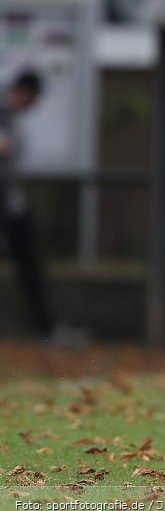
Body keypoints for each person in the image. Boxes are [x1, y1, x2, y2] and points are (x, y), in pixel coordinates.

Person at [0, 71, 73, 344]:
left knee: (31, 265)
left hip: (13, 206)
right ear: (24, 92)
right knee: (28, 265)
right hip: (5, 206)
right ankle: (46, 328)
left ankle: (47, 328)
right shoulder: (3, 112)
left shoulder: (11, 116)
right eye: (34, 97)